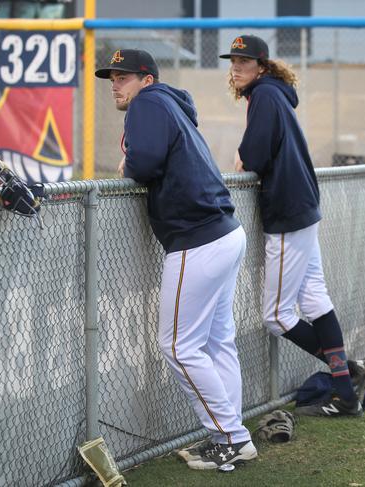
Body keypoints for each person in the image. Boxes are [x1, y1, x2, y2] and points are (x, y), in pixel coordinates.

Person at [95, 49, 256, 470]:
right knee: (217, 343)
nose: (116, 83)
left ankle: (232, 438)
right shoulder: (167, 103)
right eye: (112, 77)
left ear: (146, 79)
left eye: (125, 76)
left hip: (197, 239)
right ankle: (232, 434)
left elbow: (144, 163)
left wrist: (128, 162)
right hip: (223, 233)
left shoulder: (148, 102)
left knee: (178, 347)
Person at [220, 35, 363, 417]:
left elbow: (255, 154)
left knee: (277, 315)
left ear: (262, 67)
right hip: (301, 207)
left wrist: (241, 155)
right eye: (233, 60)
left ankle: (346, 376)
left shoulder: (265, 95)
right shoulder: (273, 93)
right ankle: (347, 390)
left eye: (244, 62)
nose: (236, 67)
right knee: (315, 299)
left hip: (287, 212)